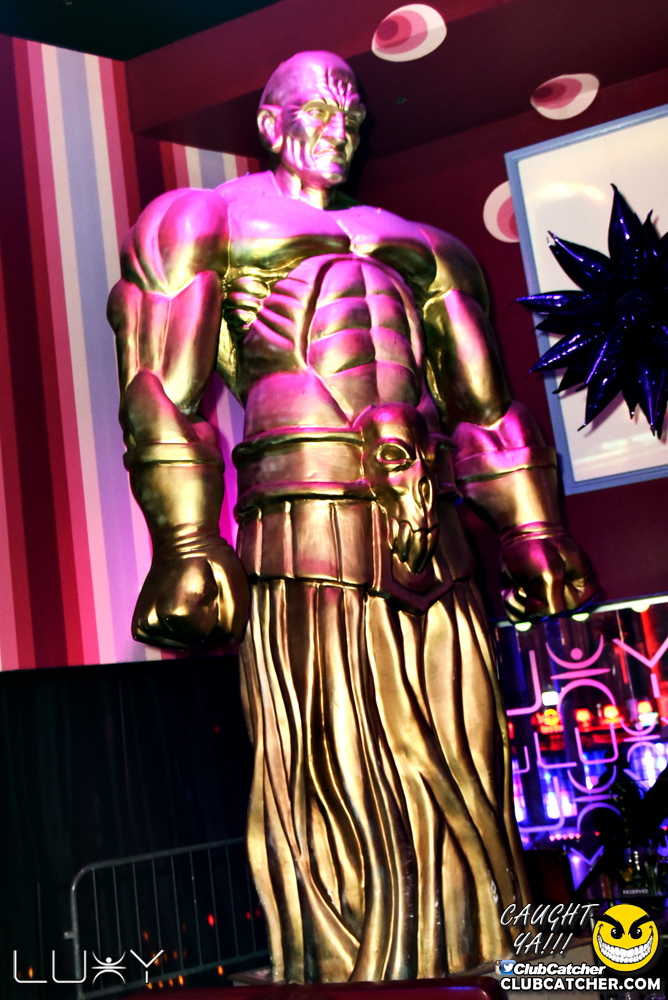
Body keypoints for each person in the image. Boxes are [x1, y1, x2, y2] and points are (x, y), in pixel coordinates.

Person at [108, 51, 595, 982]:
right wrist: (186, 542)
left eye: (353, 115)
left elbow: (484, 407)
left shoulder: (425, 246)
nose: (340, 130)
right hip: (304, 520)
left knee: (463, 750)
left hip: (430, 528)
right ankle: (351, 955)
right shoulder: (205, 221)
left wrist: (532, 530)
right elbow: (162, 393)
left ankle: (477, 943)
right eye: (319, 111)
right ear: (270, 123)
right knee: (326, 753)